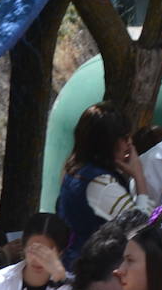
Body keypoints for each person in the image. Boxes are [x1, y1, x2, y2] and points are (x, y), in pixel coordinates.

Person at [56, 102, 154, 266]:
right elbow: (140, 230)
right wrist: (139, 176)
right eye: (125, 137)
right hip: (91, 272)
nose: (129, 144)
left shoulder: (75, 171)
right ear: (108, 143)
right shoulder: (101, 184)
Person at [0, 212, 83, 290]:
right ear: (23, 247)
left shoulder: (73, 286)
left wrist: (60, 279)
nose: (38, 259)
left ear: (60, 253)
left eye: (45, 252)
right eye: (34, 249)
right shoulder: (1, 281)